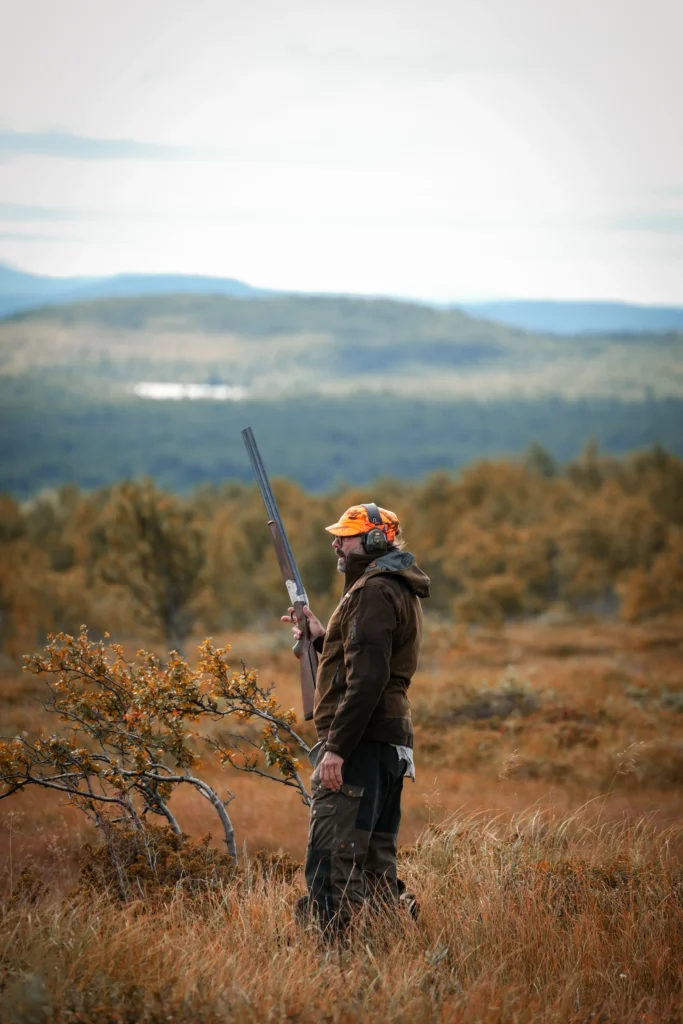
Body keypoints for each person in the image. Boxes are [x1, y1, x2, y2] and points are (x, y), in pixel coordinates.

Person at [281, 503, 430, 936]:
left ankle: (333, 954)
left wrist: (336, 748)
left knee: (333, 857)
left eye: (345, 537)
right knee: (373, 860)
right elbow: (363, 660)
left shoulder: (373, 591)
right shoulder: (392, 586)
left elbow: (366, 680)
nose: (336, 544)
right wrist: (322, 638)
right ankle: (393, 944)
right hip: (385, 740)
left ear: (376, 539)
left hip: (361, 743)